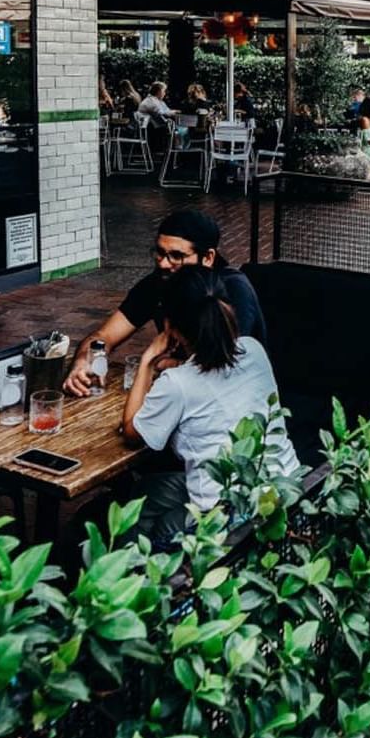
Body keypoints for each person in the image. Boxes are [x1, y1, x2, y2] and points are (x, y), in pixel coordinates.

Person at [120, 267, 300, 548]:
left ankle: (135, 574)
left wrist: (148, 360)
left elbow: (131, 432)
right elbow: (213, 375)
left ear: (171, 327)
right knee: (149, 490)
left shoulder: (177, 384)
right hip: (285, 490)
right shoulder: (253, 349)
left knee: (157, 523)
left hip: (230, 517)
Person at [66, 209, 265, 394]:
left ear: (208, 257)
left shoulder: (232, 289)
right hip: (182, 391)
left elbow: (226, 367)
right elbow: (104, 335)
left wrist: (162, 363)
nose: (163, 263)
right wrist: (84, 360)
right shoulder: (160, 281)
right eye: (160, 252)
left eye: (176, 256)